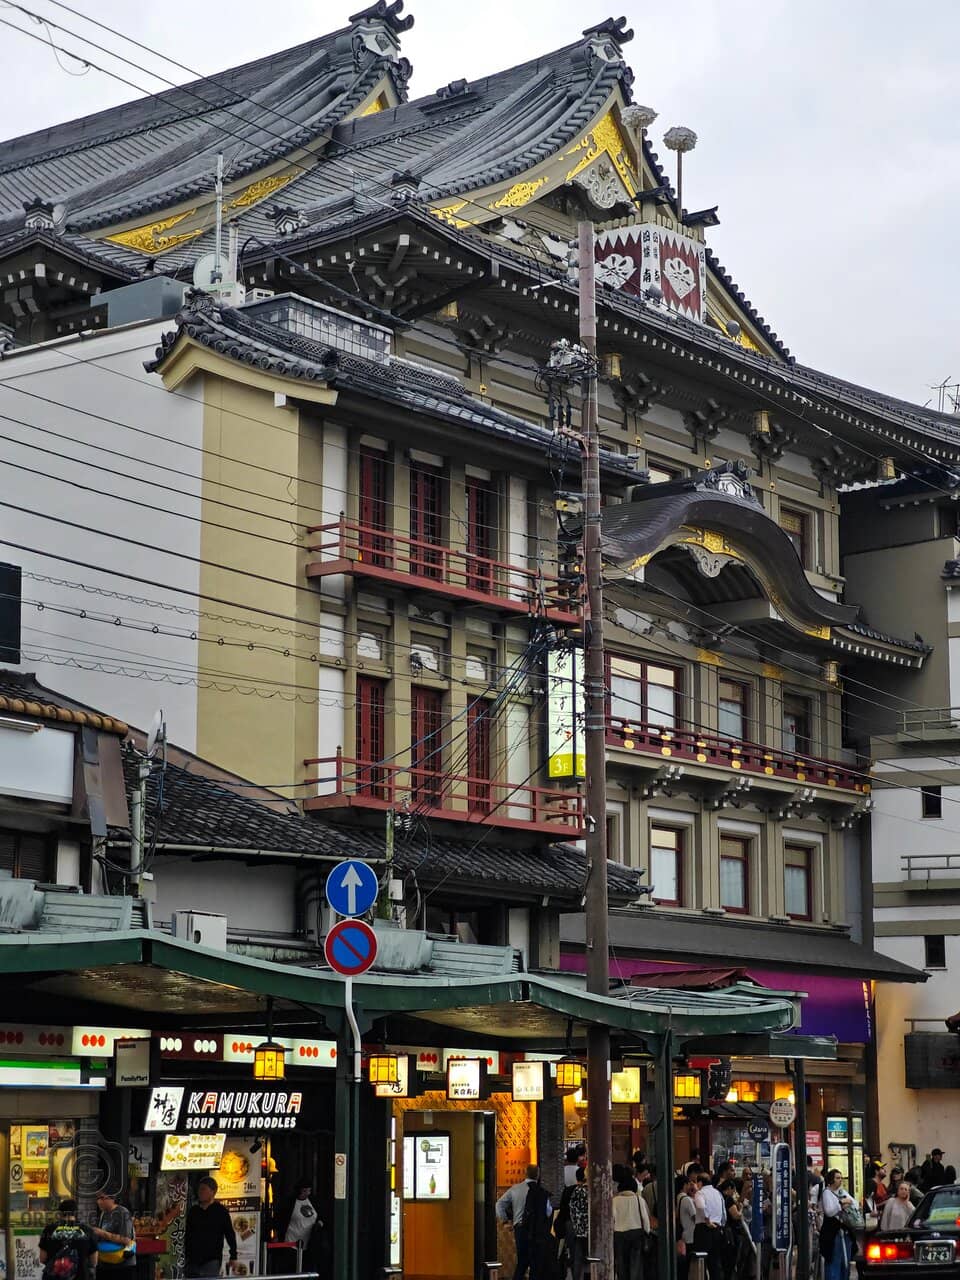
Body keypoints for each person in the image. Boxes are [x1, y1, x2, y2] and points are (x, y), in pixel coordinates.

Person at [496, 1164, 553, 1280]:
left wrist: (505, 1221)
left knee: (522, 1261)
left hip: (520, 1229)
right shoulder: (542, 1192)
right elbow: (548, 1212)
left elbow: (499, 1204)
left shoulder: (515, 1189)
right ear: (538, 1175)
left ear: (525, 1174)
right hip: (537, 1231)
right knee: (536, 1263)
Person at [184, 1176, 238, 1278]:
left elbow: (230, 1234)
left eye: (203, 1189)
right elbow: (187, 1235)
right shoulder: (193, 1211)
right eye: (199, 1189)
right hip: (192, 1260)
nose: (200, 1192)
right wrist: (186, 1256)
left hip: (212, 1259)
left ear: (213, 1192)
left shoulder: (220, 1211)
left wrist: (233, 1256)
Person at [39, 1199, 98, 1280]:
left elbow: (42, 1259)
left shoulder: (49, 1230)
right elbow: (94, 1261)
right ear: (76, 1213)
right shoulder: (88, 1230)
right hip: (81, 1276)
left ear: (60, 1213)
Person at [613, 1170, 651, 1280]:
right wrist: (647, 1232)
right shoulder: (639, 1199)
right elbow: (645, 1219)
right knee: (636, 1264)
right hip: (636, 1234)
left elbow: (612, 1219)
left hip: (620, 1235)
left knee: (621, 1264)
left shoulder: (615, 1201)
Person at [819, 1170, 856, 1280]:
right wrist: (841, 1204)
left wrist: (846, 1202)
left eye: (841, 1178)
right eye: (837, 1178)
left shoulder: (842, 1192)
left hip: (844, 1231)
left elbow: (854, 1203)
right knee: (834, 1261)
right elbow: (829, 1211)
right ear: (831, 1179)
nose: (840, 1180)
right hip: (832, 1233)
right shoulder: (826, 1193)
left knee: (845, 1262)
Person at [92, 1191, 135, 1280]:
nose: (99, 1201)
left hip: (121, 1265)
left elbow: (126, 1239)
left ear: (112, 1199)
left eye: (102, 1198)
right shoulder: (103, 1213)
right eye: (98, 1198)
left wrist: (102, 1233)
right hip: (105, 1262)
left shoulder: (122, 1212)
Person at [694, 1173, 726, 1280]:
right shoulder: (718, 1193)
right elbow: (723, 1213)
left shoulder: (700, 1193)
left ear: (700, 1182)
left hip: (703, 1229)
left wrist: (707, 1220)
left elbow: (700, 1206)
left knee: (701, 1260)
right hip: (717, 1228)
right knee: (715, 1262)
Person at [284, 1178, 322, 1269]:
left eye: (309, 1191)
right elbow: (282, 1219)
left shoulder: (313, 1201)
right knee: (292, 1267)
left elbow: (320, 1215)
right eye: (304, 1191)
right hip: (292, 1241)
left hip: (308, 1242)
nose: (307, 1193)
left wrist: (319, 1223)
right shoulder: (290, 1203)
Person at [568, 1168, 590, 1280]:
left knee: (578, 1258)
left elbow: (572, 1209)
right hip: (591, 1231)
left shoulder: (576, 1190)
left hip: (579, 1230)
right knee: (591, 1258)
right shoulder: (593, 1191)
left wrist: (576, 1225)